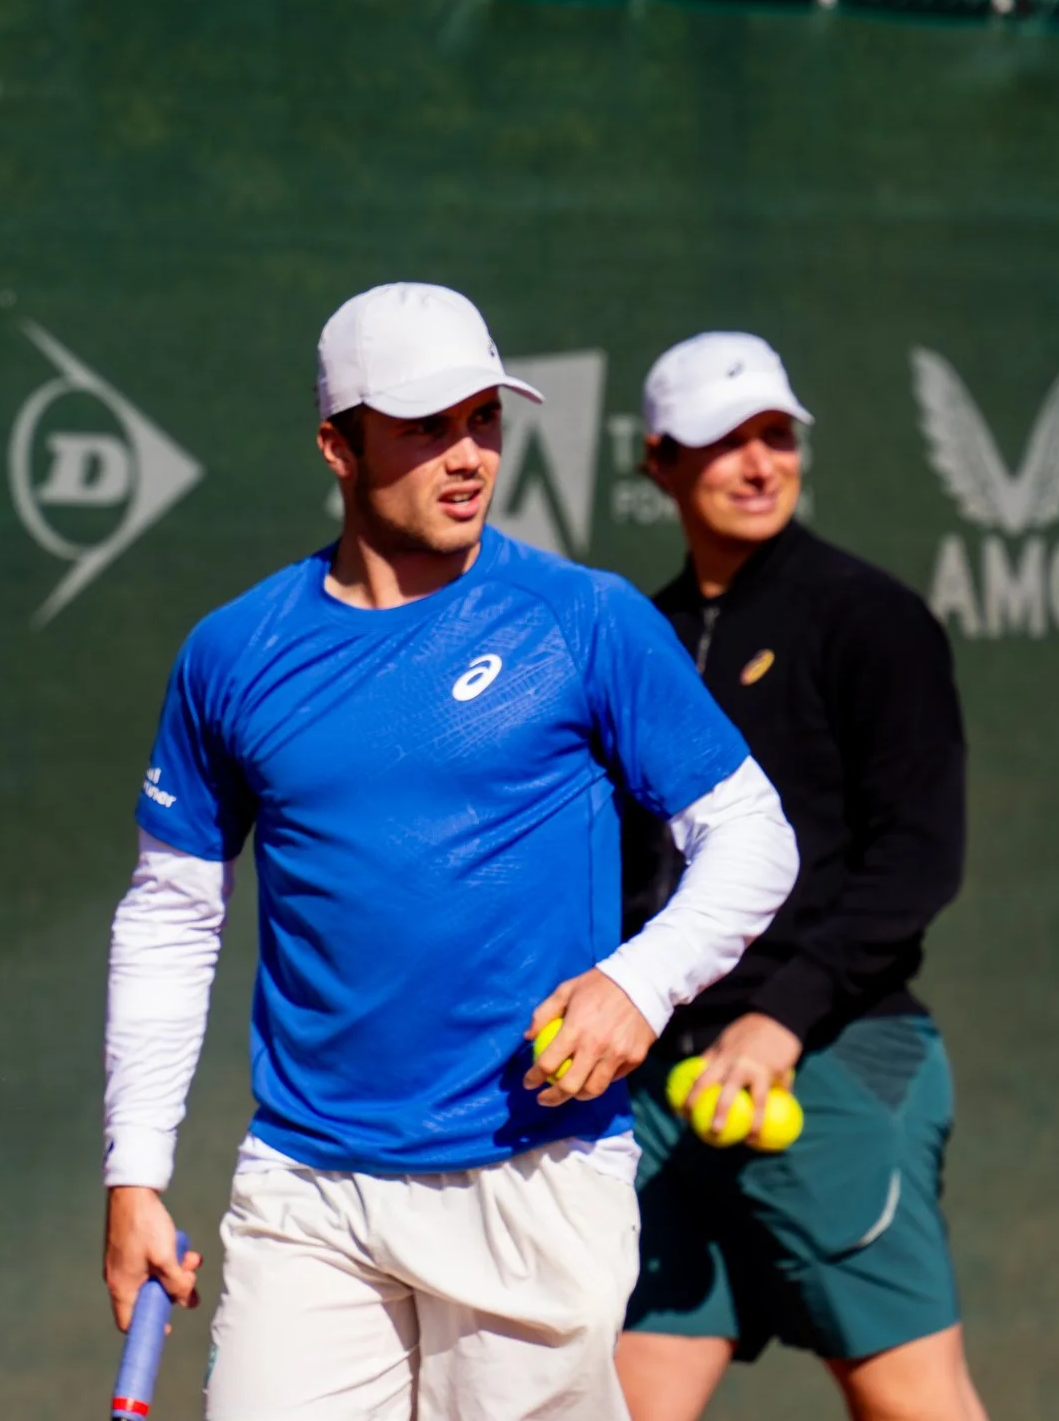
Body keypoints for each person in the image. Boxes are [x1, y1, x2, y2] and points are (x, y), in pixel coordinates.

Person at [100, 282, 803, 1420]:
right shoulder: (231, 653)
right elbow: (171, 910)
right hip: (306, 1187)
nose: (467, 454)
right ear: (338, 443)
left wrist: (638, 978)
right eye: (426, 425)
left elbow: (752, 836)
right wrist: (134, 1172)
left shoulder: (585, 618)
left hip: (535, 1177)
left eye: (484, 418)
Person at [615, 331, 988, 1421]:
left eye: (775, 435)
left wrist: (780, 1017)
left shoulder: (868, 619)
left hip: (826, 1063)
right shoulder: (641, 636)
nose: (757, 461)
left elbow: (917, 856)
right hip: (662, 1089)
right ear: (657, 463)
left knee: (912, 1402)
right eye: (722, 441)